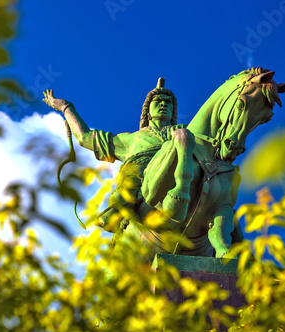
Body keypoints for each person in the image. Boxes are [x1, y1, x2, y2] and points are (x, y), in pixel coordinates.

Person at [43, 78, 190, 232]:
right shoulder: (129, 139)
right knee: (133, 174)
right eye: (158, 101)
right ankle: (117, 209)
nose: (164, 104)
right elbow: (85, 137)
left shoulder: (186, 130)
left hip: (181, 168)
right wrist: (65, 107)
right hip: (140, 176)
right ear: (148, 112)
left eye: (168, 102)